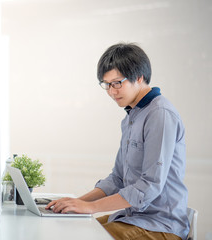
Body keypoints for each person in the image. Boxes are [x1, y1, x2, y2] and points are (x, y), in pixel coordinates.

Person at [46, 43, 190, 240]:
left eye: (117, 83)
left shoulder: (160, 114)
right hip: (132, 217)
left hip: (160, 225)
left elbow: (149, 187)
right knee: (69, 227)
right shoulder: (132, 117)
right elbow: (118, 179)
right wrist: (76, 202)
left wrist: (90, 207)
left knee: (81, 235)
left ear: (139, 77)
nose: (112, 92)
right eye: (106, 84)